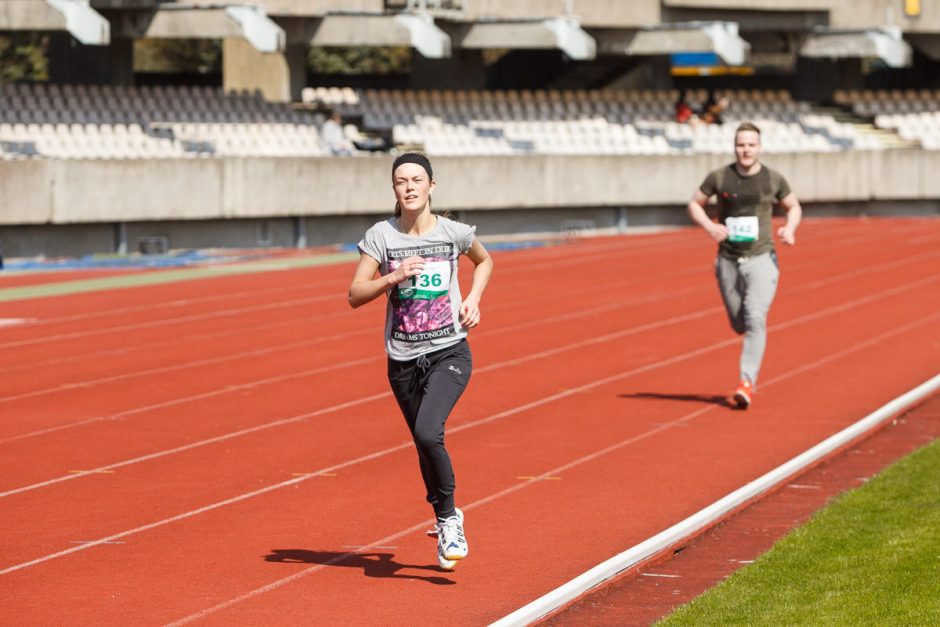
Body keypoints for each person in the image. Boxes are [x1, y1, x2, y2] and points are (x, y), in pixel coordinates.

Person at [348, 152, 494, 570]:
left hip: (449, 350)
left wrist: (473, 298)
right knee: (422, 442)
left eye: (416, 179)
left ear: (432, 186)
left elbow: (485, 261)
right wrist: (392, 277)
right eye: (400, 181)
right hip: (403, 360)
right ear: (394, 190)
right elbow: (355, 294)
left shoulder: (454, 233)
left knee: (430, 432)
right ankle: (445, 512)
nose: (409, 187)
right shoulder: (381, 236)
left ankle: (449, 519)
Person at [686, 122, 802, 408]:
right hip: (727, 259)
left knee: (755, 317)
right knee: (740, 322)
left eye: (751, 144)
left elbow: (794, 206)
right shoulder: (720, 177)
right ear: (735, 147)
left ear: (759, 147)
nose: (746, 149)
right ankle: (746, 364)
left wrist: (790, 228)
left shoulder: (772, 179)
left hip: (762, 257)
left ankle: (746, 383)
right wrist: (709, 227)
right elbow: (694, 204)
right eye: (741, 144)